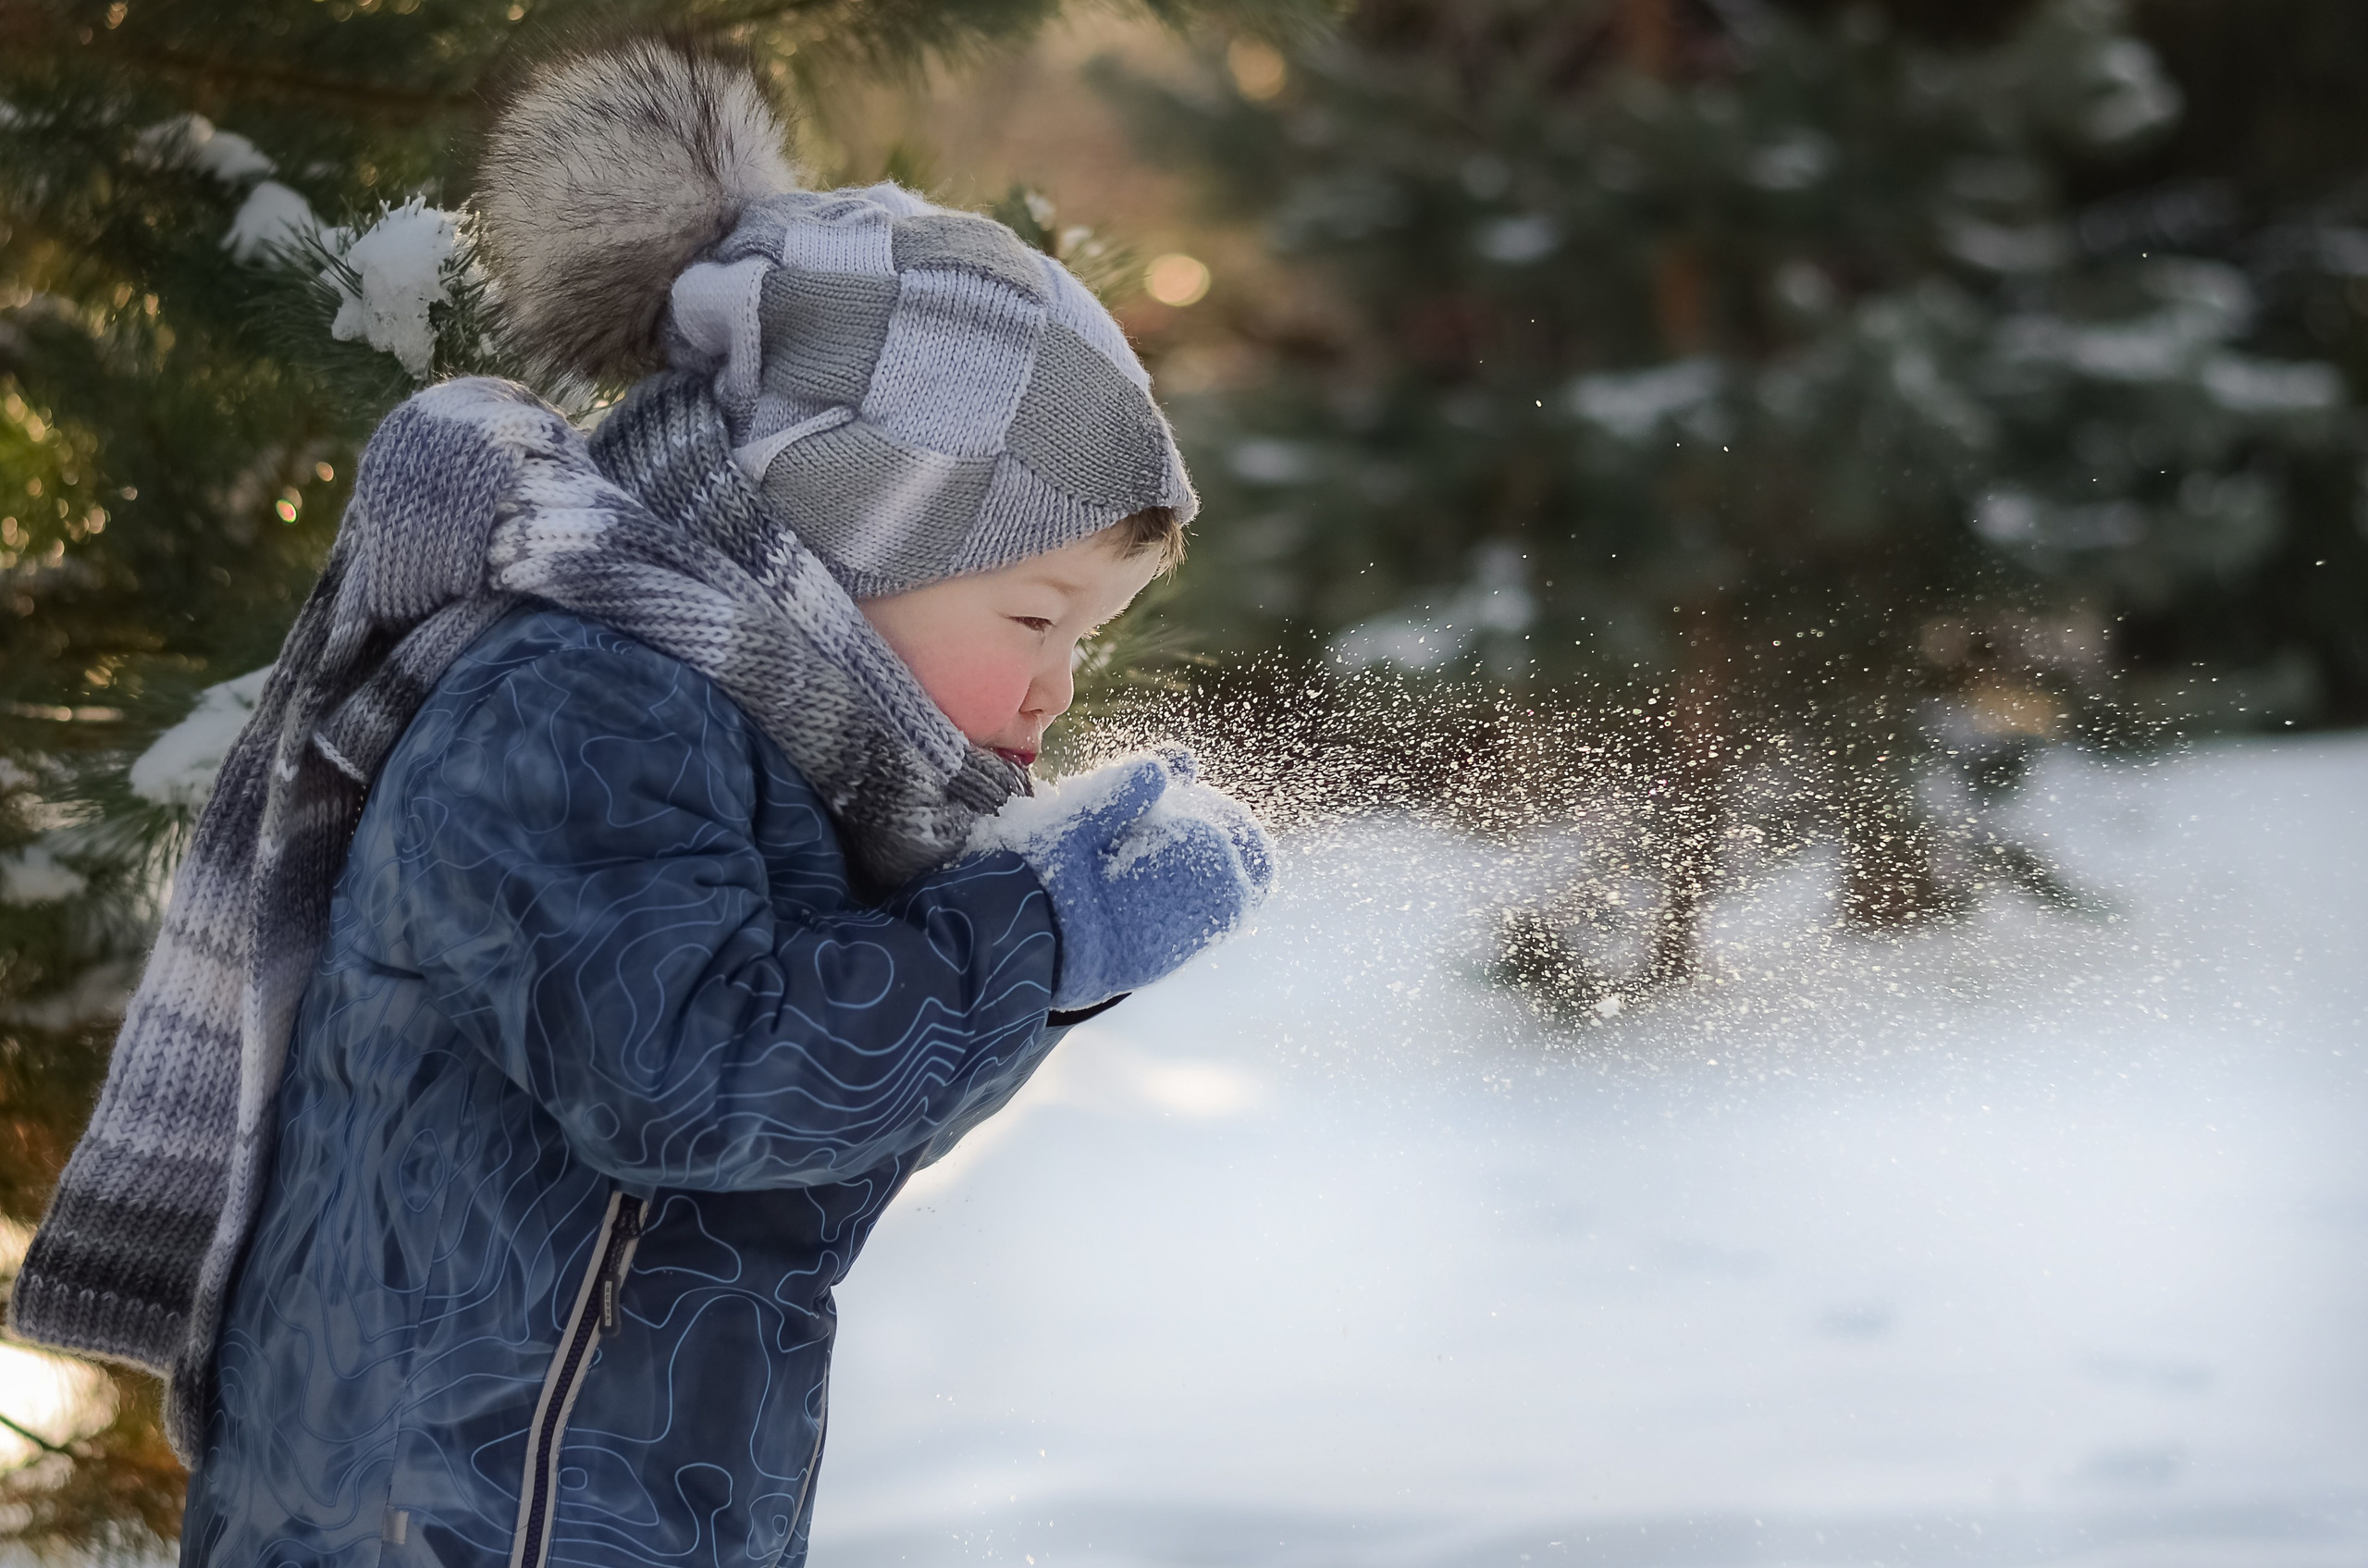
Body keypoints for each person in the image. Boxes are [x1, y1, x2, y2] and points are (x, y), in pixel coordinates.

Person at [8, 41, 1271, 1567]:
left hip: (589, 1504)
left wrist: (1040, 964)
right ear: (844, 540)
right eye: (1034, 617)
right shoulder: (584, 709)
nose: (1059, 684)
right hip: (449, 1519)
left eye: (1090, 639)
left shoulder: (742, 744)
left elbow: (795, 1154)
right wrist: (1033, 934)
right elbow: (693, 1086)